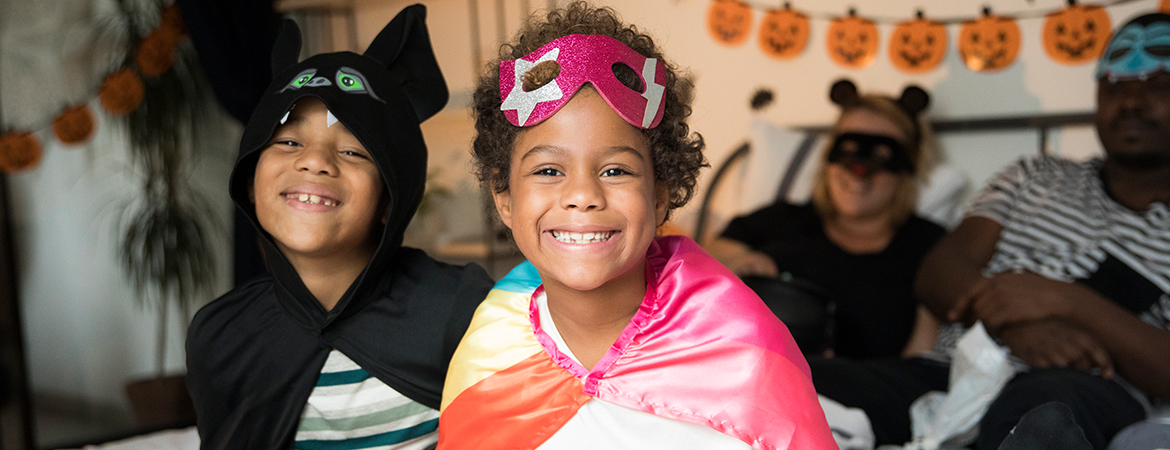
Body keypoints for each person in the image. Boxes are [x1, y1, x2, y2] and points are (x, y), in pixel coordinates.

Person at [435, 3, 836, 449]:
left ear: (660, 196)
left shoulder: (742, 350)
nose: (583, 195)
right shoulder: (491, 349)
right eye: (548, 171)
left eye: (615, 171)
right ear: (504, 198)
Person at [185, 6, 494, 449]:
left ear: (391, 196)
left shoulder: (463, 311)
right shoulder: (220, 335)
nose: (314, 161)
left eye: (353, 151)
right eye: (288, 141)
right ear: (250, 181)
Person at [915, 12, 1170, 450]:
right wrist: (1017, 330)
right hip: (952, 370)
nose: (1130, 102)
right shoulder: (1034, 175)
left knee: (1044, 418)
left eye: (1159, 86)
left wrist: (1064, 299)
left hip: (1081, 388)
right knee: (818, 382)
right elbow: (938, 273)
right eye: (1113, 87)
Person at [708, 79, 947, 361]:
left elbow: (919, 362)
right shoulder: (778, 220)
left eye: (881, 155)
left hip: (862, 387)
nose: (859, 170)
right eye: (848, 149)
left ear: (908, 164)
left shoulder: (929, 247)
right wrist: (741, 263)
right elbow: (707, 258)